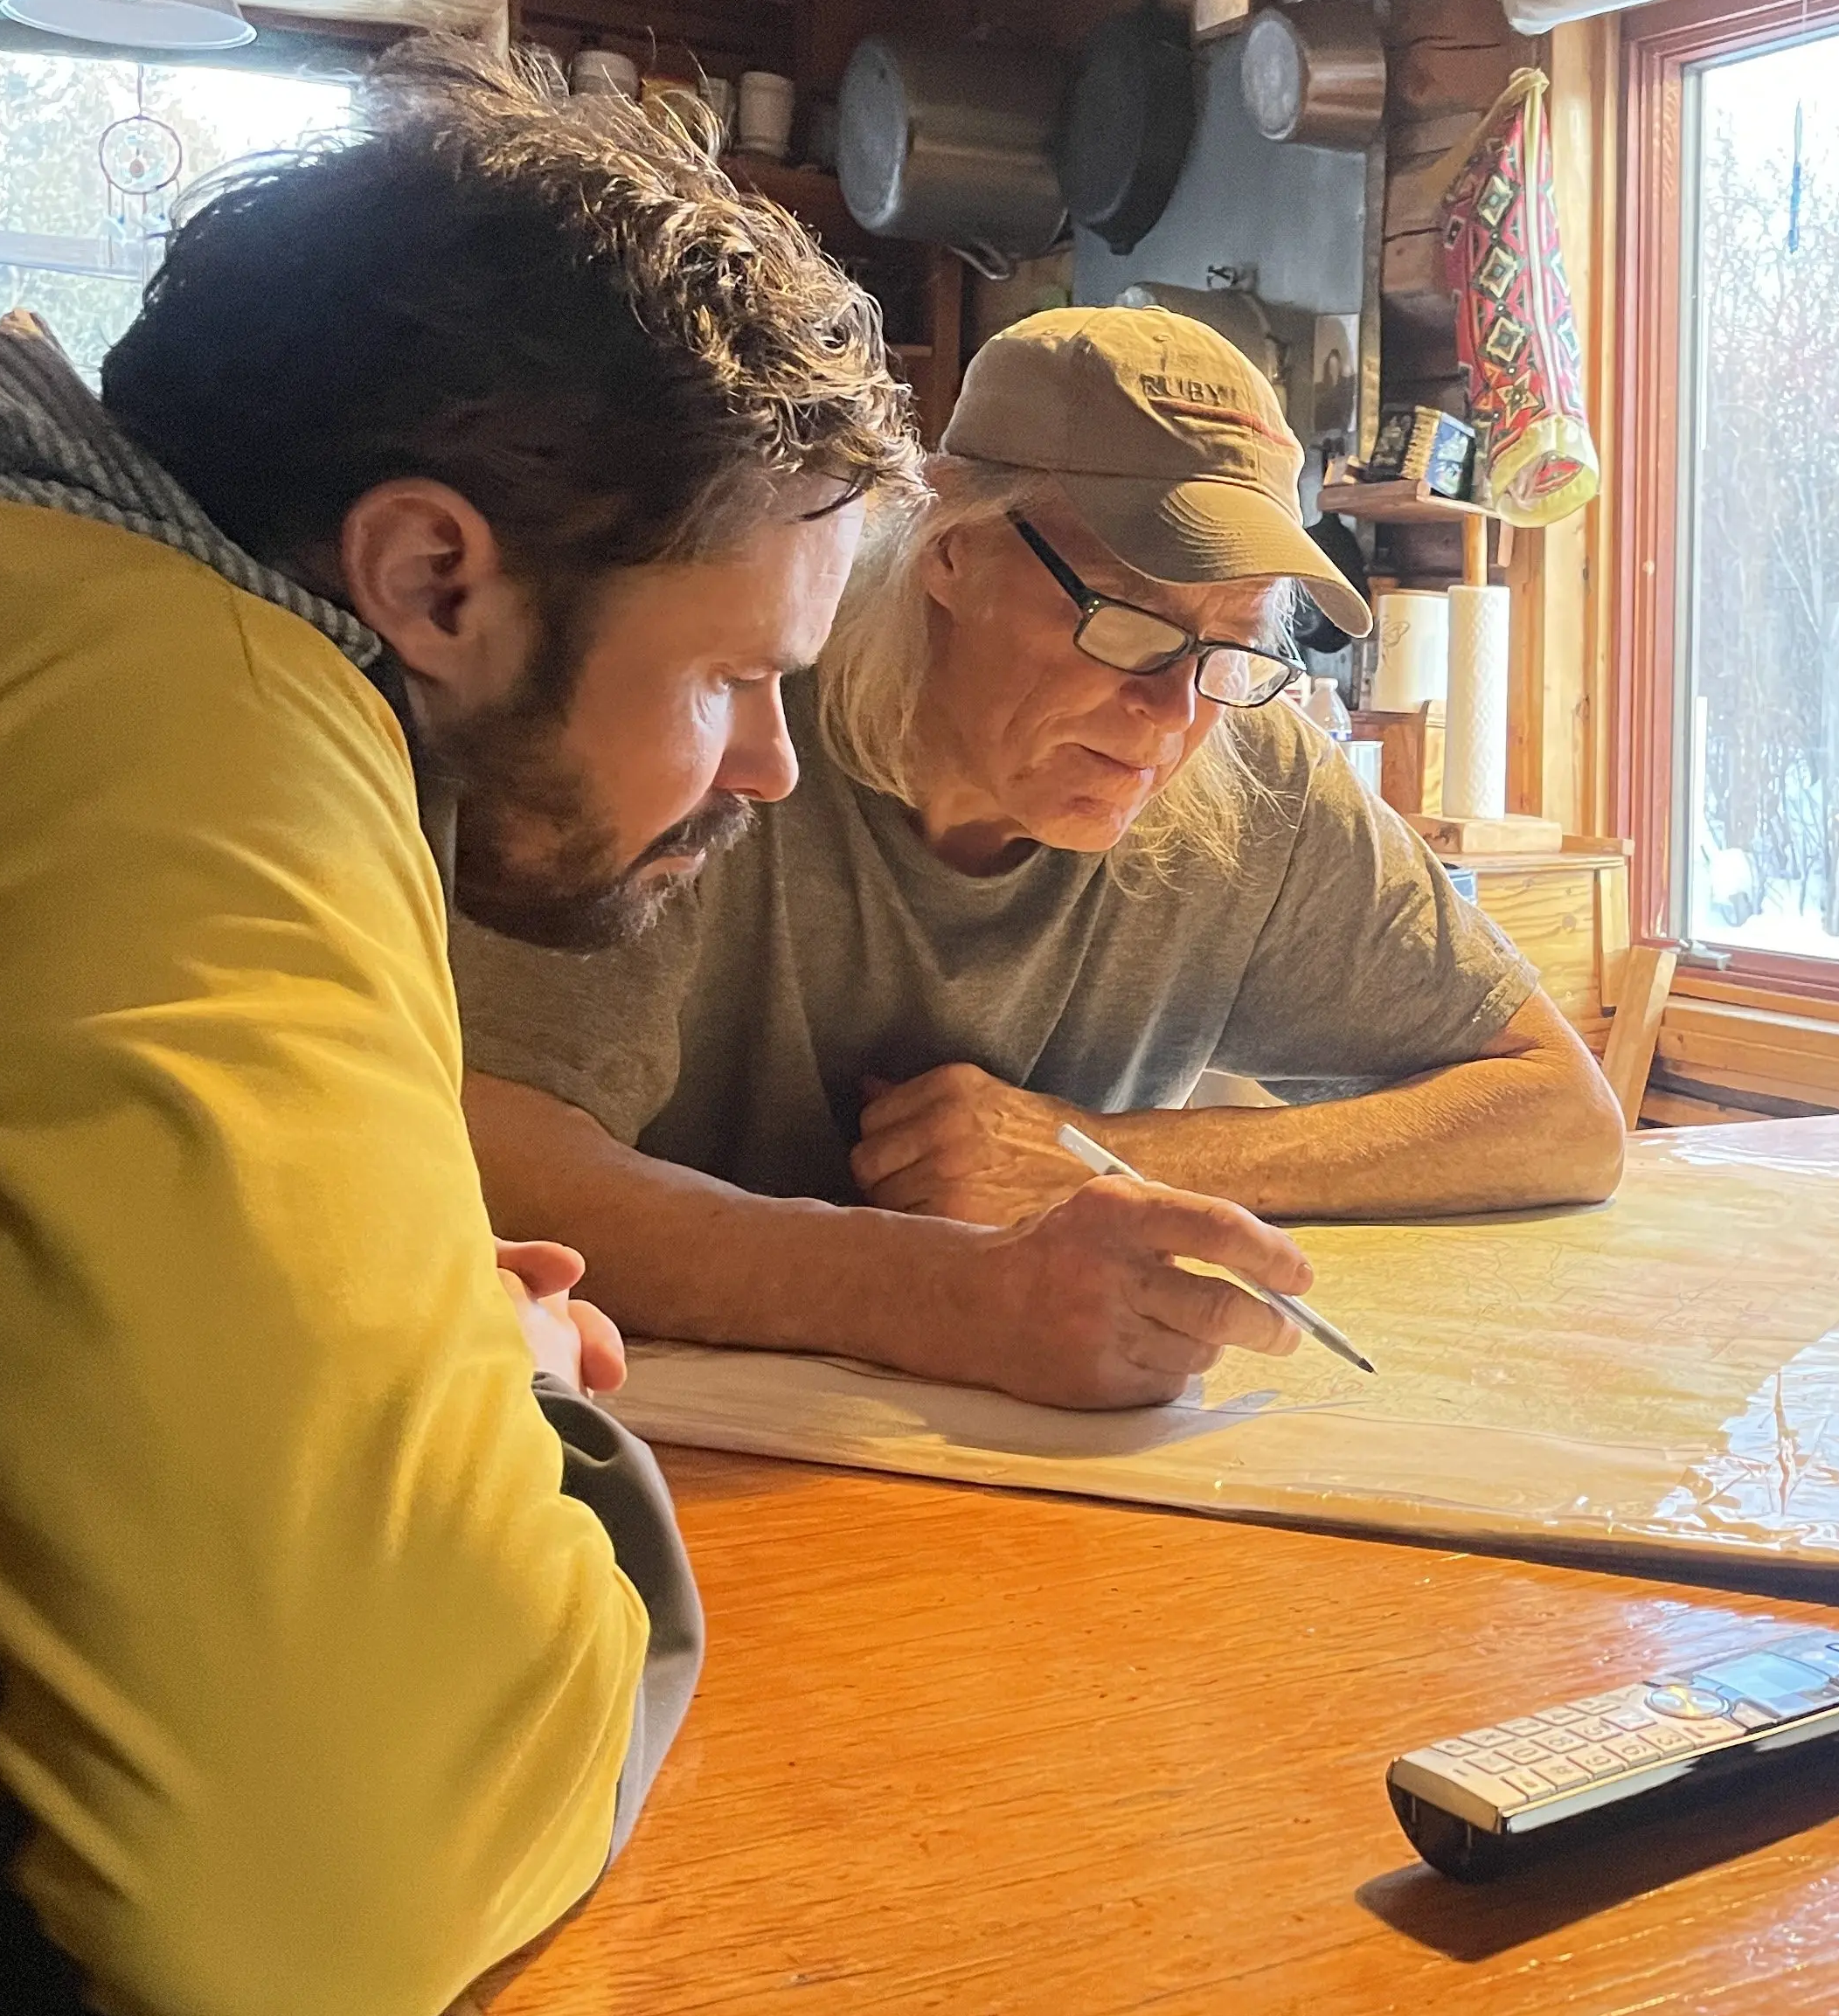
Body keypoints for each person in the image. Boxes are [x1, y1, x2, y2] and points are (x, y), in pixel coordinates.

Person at [0, 34, 919, 2016]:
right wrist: (518, 1409)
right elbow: (314, 1895)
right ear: (433, 577)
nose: (778, 771)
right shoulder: (181, 730)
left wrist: (413, 1318)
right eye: (731, 677)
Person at [460, 307, 1626, 1411]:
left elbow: (1563, 1113)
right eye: (1125, 619)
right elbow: (489, 1149)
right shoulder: (737, 722)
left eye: (1231, 644)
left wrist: (1107, 1159)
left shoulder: (1250, 762)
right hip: (642, 1435)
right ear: (949, 546)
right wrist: (948, 1295)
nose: (1171, 715)